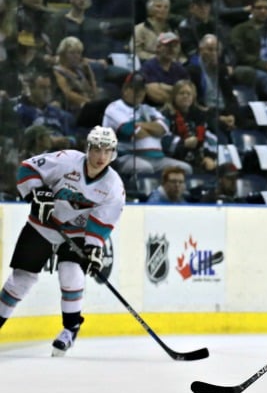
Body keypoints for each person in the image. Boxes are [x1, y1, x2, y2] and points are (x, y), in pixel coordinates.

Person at [0, 126, 125, 356]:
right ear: (88, 148)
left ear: (113, 153)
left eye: (107, 151)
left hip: (75, 233)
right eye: (96, 149)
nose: (101, 156)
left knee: (70, 271)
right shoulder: (66, 161)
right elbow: (27, 169)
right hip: (42, 226)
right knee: (21, 279)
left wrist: (93, 250)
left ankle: (70, 329)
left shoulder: (114, 187)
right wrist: (37, 194)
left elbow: (101, 223)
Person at [102, 73, 193, 176]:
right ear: (125, 90)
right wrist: (152, 128)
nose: (139, 93)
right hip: (128, 156)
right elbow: (133, 132)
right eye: (135, 89)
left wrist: (140, 124)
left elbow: (163, 127)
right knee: (145, 169)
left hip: (158, 158)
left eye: (142, 90)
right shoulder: (114, 108)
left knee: (185, 169)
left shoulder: (148, 109)